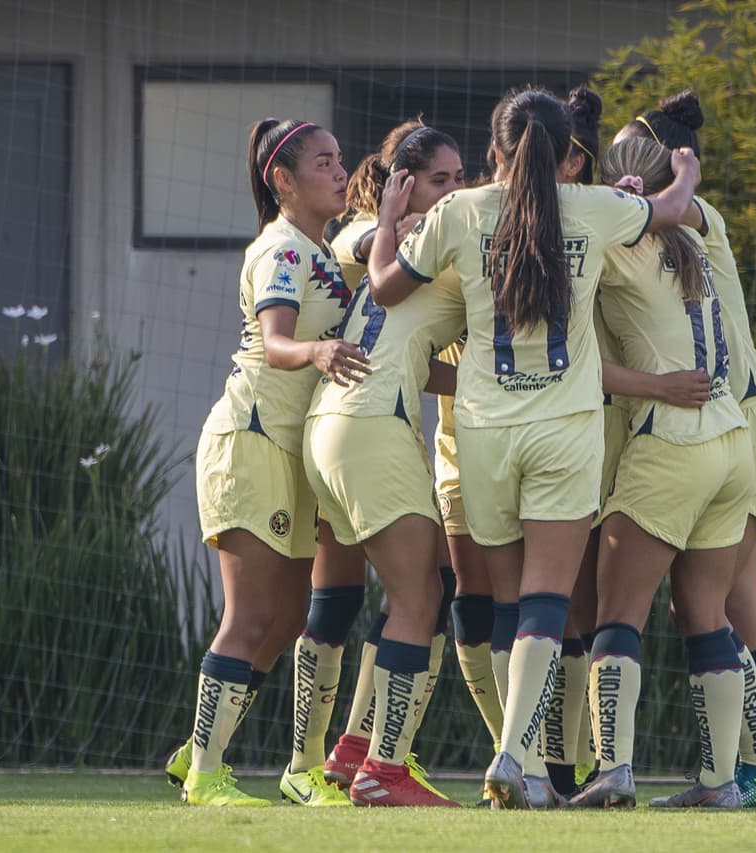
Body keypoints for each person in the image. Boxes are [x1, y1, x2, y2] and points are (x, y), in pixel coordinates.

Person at [367, 86, 702, 809]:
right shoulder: (592, 207)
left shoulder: (460, 211)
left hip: (484, 430)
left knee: (509, 603)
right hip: (565, 428)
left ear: (495, 151)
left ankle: (520, 761)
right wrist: (684, 174)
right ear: (567, 156)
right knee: (550, 602)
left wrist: (390, 220)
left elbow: (388, 288)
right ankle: (516, 756)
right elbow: (672, 212)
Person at [175, 118, 369, 807]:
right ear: (282, 181)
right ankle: (205, 772)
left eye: (341, 160)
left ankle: (203, 741)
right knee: (253, 616)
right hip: (250, 441)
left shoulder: (320, 248)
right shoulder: (282, 249)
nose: (340, 172)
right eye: (323, 163)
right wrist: (317, 352)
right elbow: (278, 341)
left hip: (290, 451)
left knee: (288, 618)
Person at [617, 91, 756, 809]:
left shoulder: (696, 217)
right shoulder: (663, 233)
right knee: (705, 605)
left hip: (740, 421)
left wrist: (647, 185)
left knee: (729, 604)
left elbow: (676, 206)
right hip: (736, 421)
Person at [563, 136, 754, 810]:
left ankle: (612, 769)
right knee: (704, 612)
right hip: (734, 442)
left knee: (617, 613)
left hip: (670, 438)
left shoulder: (615, 245)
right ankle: (720, 783)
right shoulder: (698, 240)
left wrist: (656, 385)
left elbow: (568, 361)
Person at [304, 119, 467, 807]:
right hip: (369, 427)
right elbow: (369, 242)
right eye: (442, 179)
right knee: (419, 597)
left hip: (335, 426)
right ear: (402, 182)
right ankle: (385, 771)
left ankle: (353, 750)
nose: (456, 190)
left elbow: (414, 359)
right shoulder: (398, 238)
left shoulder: (381, 238)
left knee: (429, 581)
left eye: (462, 178)